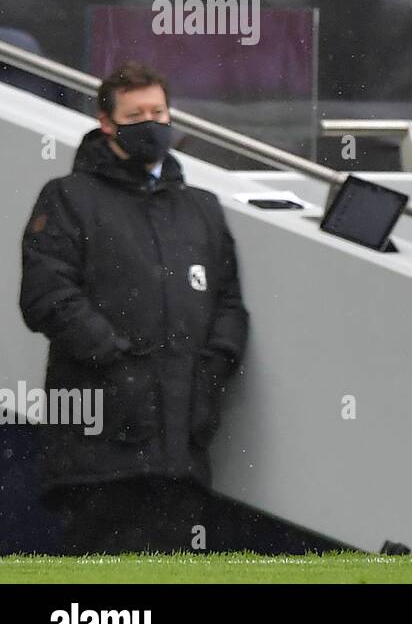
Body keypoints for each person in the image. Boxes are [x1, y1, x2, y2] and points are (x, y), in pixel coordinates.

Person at [19, 62, 248, 554]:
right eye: (136, 113)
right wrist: (116, 361)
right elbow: (46, 296)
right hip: (97, 446)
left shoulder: (202, 209)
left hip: (181, 448)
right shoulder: (67, 198)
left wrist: (213, 370)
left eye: (158, 112)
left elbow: (229, 304)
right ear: (106, 122)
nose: (151, 123)